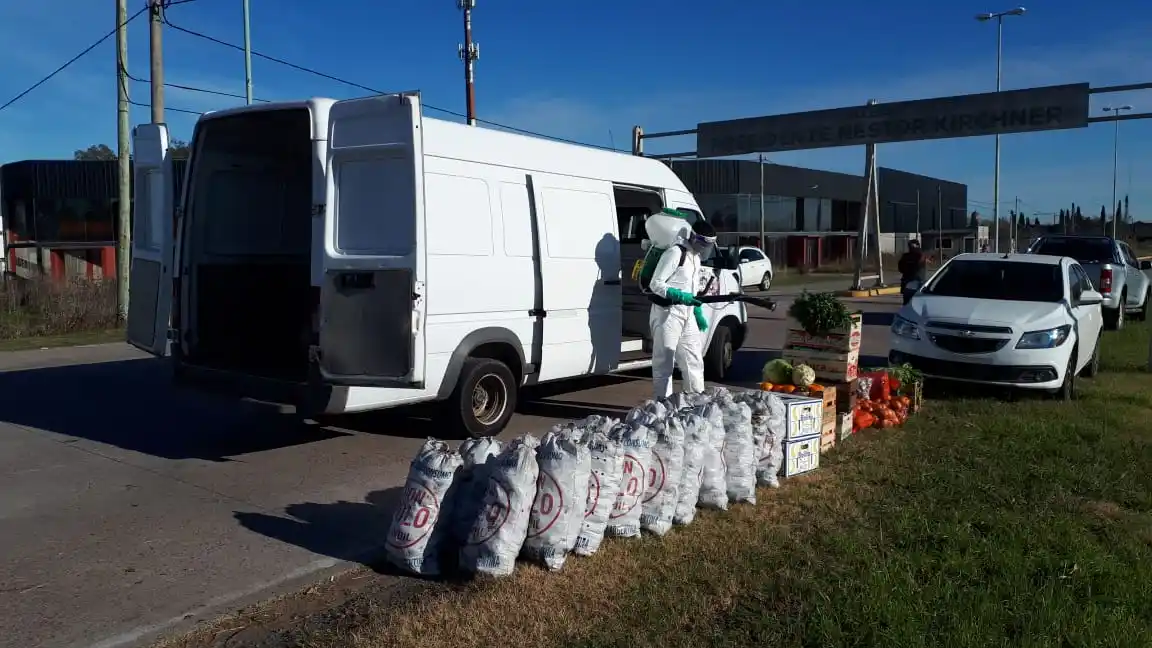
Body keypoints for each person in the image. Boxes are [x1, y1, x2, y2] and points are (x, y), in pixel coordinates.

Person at [647, 219, 717, 399]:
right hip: (667, 313)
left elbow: (692, 289)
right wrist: (677, 295)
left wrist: (697, 311)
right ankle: (663, 404)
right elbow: (656, 284)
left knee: (693, 358)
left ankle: (696, 400)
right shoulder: (675, 253)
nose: (704, 248)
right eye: (703, 244)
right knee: (665, 361)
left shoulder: (696, 259)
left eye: (708, 245)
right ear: (694, 237)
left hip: (687, 314)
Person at [897, 239, 927, 305]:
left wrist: (907, 269)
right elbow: (900, 267)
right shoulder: (918, 255)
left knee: (912, 300)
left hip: (914, 280)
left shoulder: (919, 255)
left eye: (912, 245)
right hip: (912, 280)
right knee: (909, 300)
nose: (911, 247)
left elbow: (901, 267)